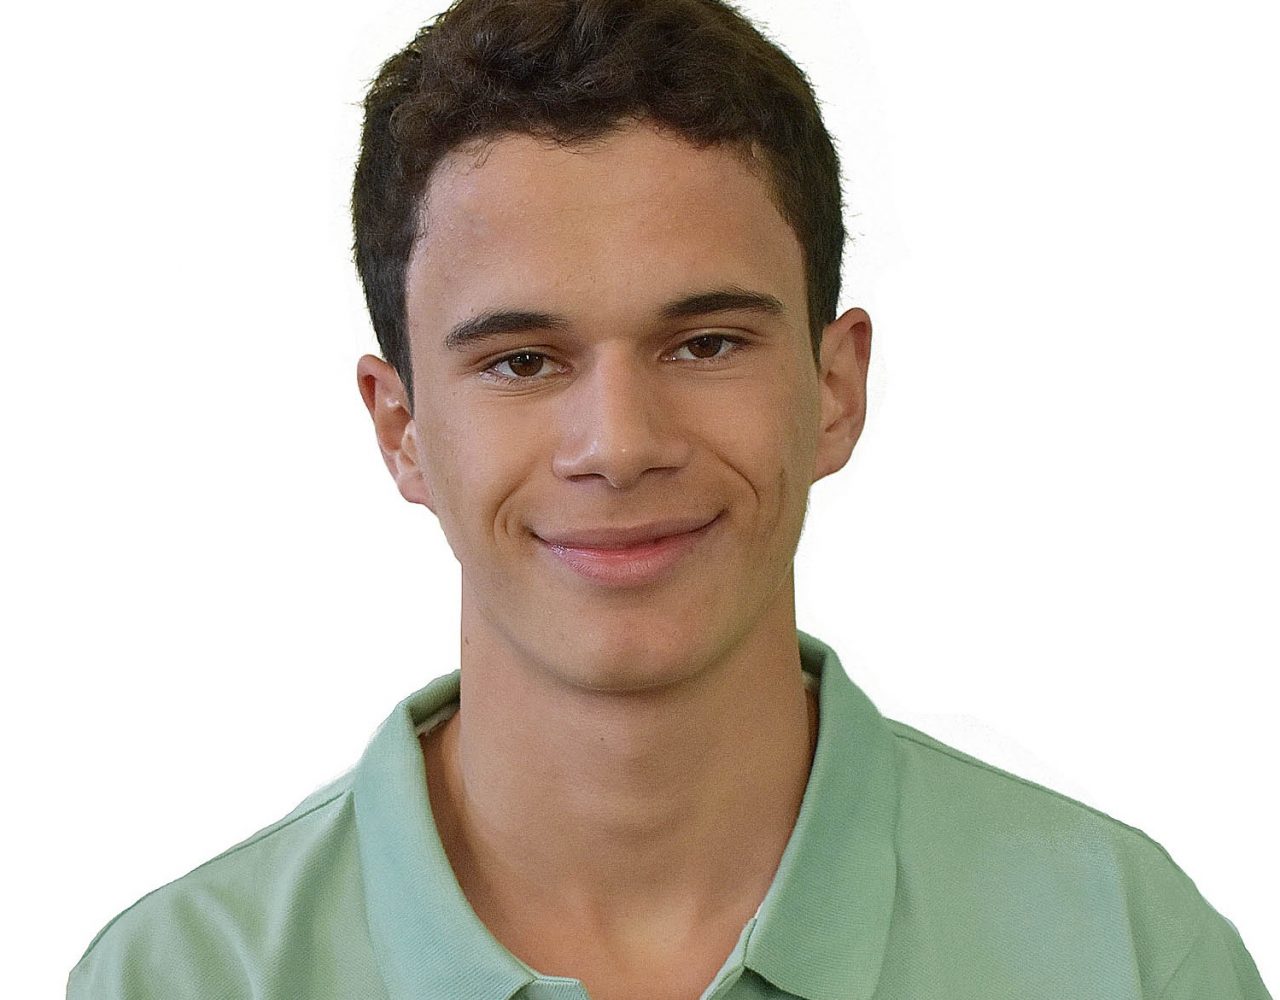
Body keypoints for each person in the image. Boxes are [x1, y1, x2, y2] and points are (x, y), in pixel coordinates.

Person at [67, 1, 1271, 998]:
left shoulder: (1127, 955)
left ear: (835, 388)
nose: (620, 444)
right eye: (521, 361)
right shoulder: (176, 980)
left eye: (704, 344)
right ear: (402, 430)